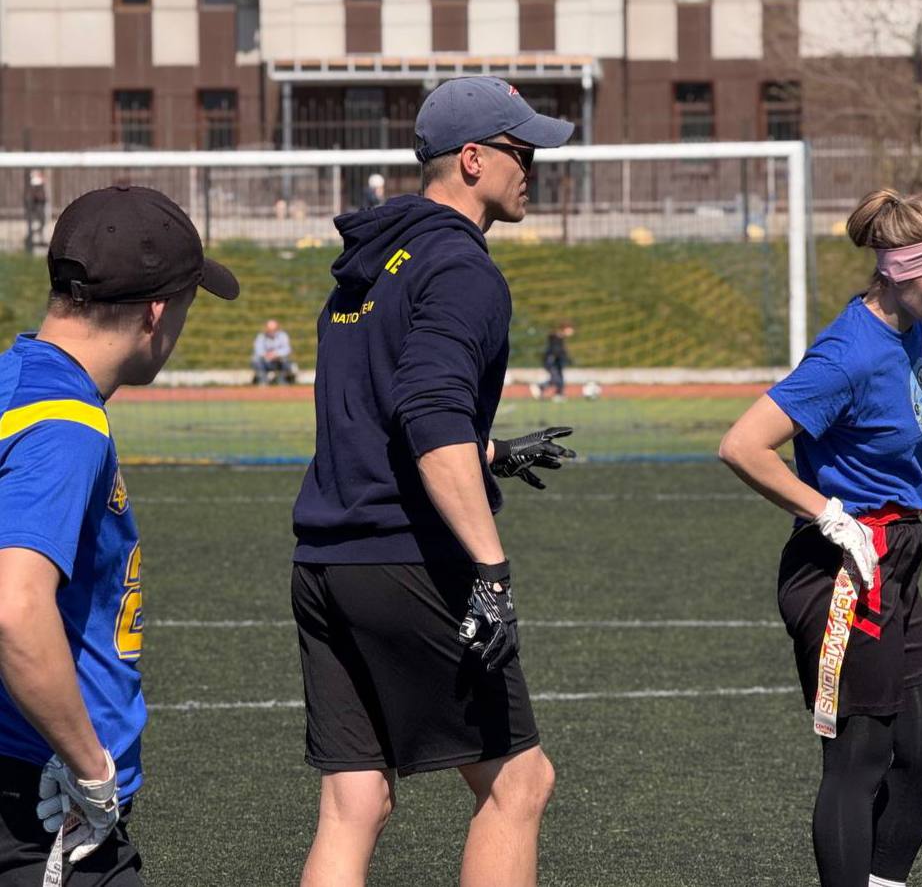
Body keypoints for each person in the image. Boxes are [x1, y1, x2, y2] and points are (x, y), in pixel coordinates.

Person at [291, 76, 576, 887]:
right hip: (406, 558)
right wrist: (489, 567)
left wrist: (486, 454)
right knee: (519, 783)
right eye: (524, 154)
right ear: (476, 159)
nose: (535, 170)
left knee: (355, 803)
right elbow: (427, 411)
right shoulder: (462, 268)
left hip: (324, 563)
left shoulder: (366, 268)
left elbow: (374, 420)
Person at [0, 185, 239, 885]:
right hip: (45, 802)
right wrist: (91, 767)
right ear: (157, 313)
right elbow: (15, 606)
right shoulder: (66, 422)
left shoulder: (14, 379)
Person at [719, 188, 922, 887]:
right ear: (899, 273)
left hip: (892, 558)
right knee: (859, 757)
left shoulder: (907, 325)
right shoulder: (847, 354)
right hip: (840, 568)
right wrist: (830, 515)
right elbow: (742, 445)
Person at [530, 321, 574, 401]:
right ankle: (540, 387)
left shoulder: (560, 338)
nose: (571, 331)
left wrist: (567, 359)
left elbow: (561, 351)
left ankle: (559, 394)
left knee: (560, 378)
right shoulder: (556, 337)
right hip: (552, 362)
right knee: (556, 378)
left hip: (557, 362)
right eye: (570, 329)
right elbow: (555, 350)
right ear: (565, 329)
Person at [251, 318, 296, 385]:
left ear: (277, 328)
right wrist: (267, 355)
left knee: (285, 359)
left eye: (274, 329)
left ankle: (282, 380)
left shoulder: (283, 336)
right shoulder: (261, 337)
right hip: (265, 361)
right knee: (255, 359)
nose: (271, 331)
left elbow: (287, 349)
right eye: (269, 329)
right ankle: (263, 381)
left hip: (279, 361)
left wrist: (276, 354)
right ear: (266, 328)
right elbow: (258, 350)